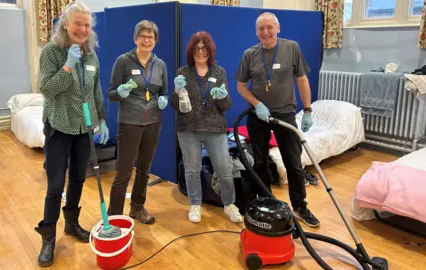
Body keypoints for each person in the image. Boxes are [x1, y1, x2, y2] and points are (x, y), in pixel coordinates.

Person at [34, 2, 109, 267]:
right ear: (65, 23)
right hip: (58, 125)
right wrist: (67, 66)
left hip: (83, 127)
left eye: (87, 25)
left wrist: (102, 118)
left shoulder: (91, 55)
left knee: (78, 179)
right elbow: (47, 89)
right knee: (55, 186)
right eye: (78, 23)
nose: (82, 29)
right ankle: (48, 239)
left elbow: (96, 89)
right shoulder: (52, 52)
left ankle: (72, 224)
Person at [235, 12, 320, 228]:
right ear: (256, 32)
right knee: (260, 162)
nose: (265, 32)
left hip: (285, 114)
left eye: (269, 27)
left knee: (293, 162)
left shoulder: (292, 48)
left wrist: (308, 110)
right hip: (258, 115)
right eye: (261, 28)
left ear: (278, 28)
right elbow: (241, 86)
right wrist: (257, 104)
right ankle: (267, 200)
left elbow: (302, 80)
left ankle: (300, 206)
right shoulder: (249, 54)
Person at [171, 32, 242, 224]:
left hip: (215, 129)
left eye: (204, 48)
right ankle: (195, 203)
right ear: (191, 51)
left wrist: (222, 97)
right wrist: (177, 92)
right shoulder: (183, 72)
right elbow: (175, 105)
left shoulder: (219, 72)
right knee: (192, 170)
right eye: (196, 48)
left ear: (210, 50)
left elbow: (226, 106)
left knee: (225, 169)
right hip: (188, 129)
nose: (200, 52)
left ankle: (229, 204)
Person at [107, 20, 168, 224]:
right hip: (129, 123)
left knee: (144, 169)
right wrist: (121, 92)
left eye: (151, 37)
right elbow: (111, 94)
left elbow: (164, 91)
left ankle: (137, 208)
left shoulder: (160, 65)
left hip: (153, 123)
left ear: (155, 41)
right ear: (135, 39)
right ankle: (114, 215)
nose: (147, 40)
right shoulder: (123, 61)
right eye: (143, 36)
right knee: (124, 171)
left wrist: (164, 99)